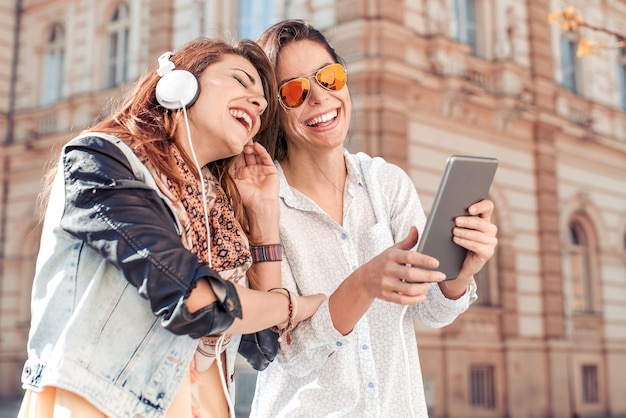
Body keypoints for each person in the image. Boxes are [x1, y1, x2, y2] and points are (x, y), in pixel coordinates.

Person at [18, 37, 325, 418]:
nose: (260, 103)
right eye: (241, 80)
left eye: (262, 100)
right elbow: (193, 300)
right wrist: (296, 305)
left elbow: (262, 343)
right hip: (104, 406)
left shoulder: (220, 214)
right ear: (180, 82)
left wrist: (263, 222)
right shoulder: (99, 159)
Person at [251, 20, 498, 417]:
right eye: (295, 91)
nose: (320, 98)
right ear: (275, 111)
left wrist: (462, 273)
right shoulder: (262, 201)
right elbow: (286, 352)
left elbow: (432, 310)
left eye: (329, 77)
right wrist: (364, 283)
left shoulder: (387, 183)